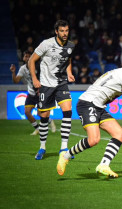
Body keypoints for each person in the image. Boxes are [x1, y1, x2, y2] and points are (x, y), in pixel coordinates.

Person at [28, 20, 75, 160]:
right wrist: (35, 79)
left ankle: (64, 148)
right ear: (56, 32)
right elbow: (31, 60)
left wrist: (69, 73)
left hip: (61, 84)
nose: (65, 33)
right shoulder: (46, 44)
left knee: (68, 111)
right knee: (44, 117)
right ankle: (42, 148)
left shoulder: (71, 46)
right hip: (46, 85)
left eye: (66, 30)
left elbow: (68, 59)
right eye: (62, 31)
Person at [10, 51, 56, 135]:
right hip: (31, 93)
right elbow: (16, 81)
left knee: (40, 113)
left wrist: (41, 89)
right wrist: (13, 72)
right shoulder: (23, 68)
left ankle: (50, 121)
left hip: (39, 93)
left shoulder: (37, 67)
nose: (27, 58)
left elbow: (44, 78)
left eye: (29, 56)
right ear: (23, 58)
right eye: (25, 56)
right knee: (27, 112)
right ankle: (37, 128)